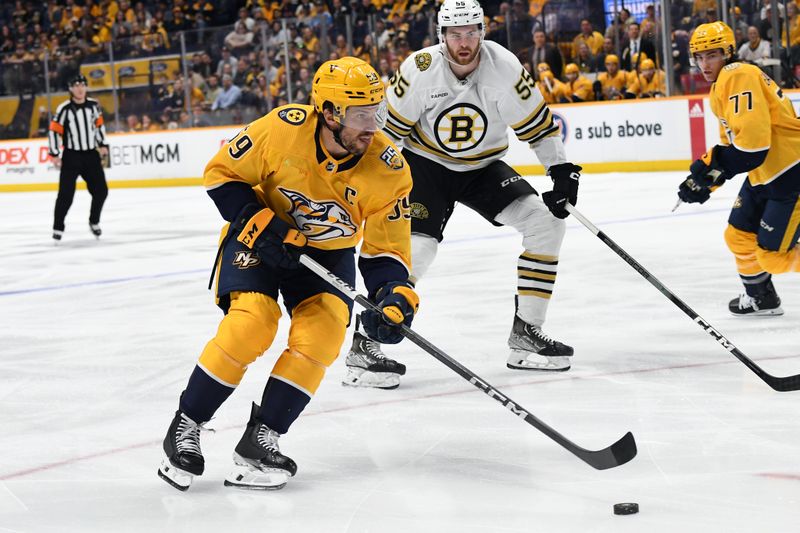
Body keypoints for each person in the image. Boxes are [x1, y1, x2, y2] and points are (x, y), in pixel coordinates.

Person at [157, 57, 419, 491]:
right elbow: (221, 176)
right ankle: (187, 423)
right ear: (330, 112)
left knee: (323, 336)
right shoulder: (283, 129)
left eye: (375, 110)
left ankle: (262, 440)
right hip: (261, 242)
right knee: (252, 324)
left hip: (328, 258)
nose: (371, 125)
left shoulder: (389, 169)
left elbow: (385, 251)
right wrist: (263, 225)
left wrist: (393, 296)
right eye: (359, 114)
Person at [343, 0, 582, 389]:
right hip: (425, 166)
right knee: (416, 252)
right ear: (442, 37)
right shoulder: (420, 70)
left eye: (471, 32)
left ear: (483, 32)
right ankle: (365, 344)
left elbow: (538, 126)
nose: (464, 42)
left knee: (545, 225)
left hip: (482, 168)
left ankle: (526, 335)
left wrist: (560, 170)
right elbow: (387, 135)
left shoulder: (504, 67)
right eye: (455, 34)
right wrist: (372, 184)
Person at [676, 22, 800, 316]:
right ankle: (761, 298)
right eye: (699, 57)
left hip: (791, 172)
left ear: (729, 52)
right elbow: (736, 147)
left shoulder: (737, 73)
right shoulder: (725, 84)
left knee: (773, 258)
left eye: (712, 55)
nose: (705, 64)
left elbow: (752, 149)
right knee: (738, 236)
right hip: (768, 173)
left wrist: (707, 174)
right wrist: (706, 180)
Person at [48, 73, 109, 242]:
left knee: (101, 191)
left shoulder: (94, 106)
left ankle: (94, 221)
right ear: (70, 89)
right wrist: (54, 154)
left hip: (91, 155)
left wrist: (103, 144)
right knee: (66, 195)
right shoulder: (64, 108)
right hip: (72, 156)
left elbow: (99, 126)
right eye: (76, 85)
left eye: (83, 85)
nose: (80, 88)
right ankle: (58, 226)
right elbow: (54, 131)